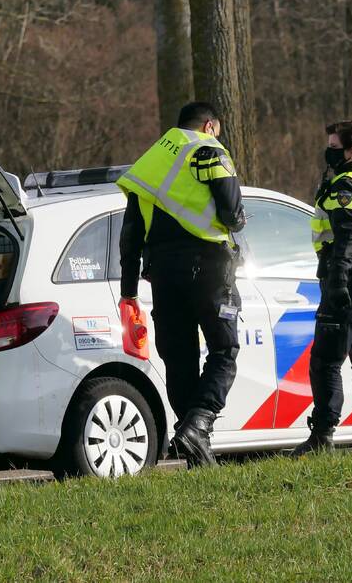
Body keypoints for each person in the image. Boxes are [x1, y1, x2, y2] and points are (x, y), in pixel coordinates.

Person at [116, 101, 246, 467]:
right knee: (224, 350)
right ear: (209, 126)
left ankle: (196, 452)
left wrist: (128, 290)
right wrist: (236, 223)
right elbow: (232, 215)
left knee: (180, 358)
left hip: (162, 274)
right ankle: (201, 420)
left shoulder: (151, 164)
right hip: (208, 268)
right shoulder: (208, 150)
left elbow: (130, 235)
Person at [293, 121, 352, 455]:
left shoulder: (344, 187)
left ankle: (322, 437)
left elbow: (347, 238)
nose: (328, 150)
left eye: (334, 145)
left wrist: (336, 281)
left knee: (325, 360)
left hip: (350, 277)